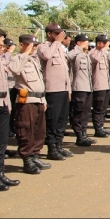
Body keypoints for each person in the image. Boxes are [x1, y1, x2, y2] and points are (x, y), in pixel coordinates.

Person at [9, 34, 49, 177]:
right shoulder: (17, 59)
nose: (34, 48)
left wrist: (43, 99)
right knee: (26, 130)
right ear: (22, 45)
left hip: (38, 100)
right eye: (31, 45)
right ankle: (27, 159)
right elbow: (14, 70)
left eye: (35, 45)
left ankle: (35, 156)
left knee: (39, 130)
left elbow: (39, 82)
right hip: (26, 102)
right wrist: (25, 53)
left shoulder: (34, 61)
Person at [37, 23, 72, 160]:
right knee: (52, 119)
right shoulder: (44, 47)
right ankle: (52, 148)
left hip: (63, 89)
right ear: (49, 34)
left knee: (62, 120)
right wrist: (57, 42)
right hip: (52, 90)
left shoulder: (60, 49)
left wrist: (68, 89)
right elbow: (46, 56)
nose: (59, 36)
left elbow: (65, 71)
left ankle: (59, 145)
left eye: (60, 33)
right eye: (56, 33)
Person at [0, 27, 15, 191]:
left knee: (1, 142)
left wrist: (9, 104)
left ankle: (0, 173)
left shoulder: (0, 58)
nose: (2, 42)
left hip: (3, 102)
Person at [67, 34, 96, 147]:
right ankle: (79, 135)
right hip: (78, 87)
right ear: (78, 42)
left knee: (85, 112)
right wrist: (77, 48)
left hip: (87, 87)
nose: (87, 43)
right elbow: (68, 57)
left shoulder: (85, 55)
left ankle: (84, 134)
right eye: (85, 41)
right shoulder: (74, 53)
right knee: (78, 112)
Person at [89, 35, 110, 137]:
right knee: (98, 108)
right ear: (99, 43)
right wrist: (103, 49)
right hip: (98, 85)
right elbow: (96, 59)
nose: (106, 46)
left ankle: (101, 127)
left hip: (105, 84)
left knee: (103, 108)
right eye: (104, 43)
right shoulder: (93, 52)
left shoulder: (104, 53)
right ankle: (97, 129)